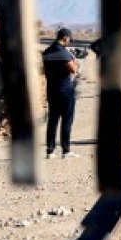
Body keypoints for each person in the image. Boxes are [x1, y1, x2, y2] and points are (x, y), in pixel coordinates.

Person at [42, 27, 80, 159]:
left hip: (51, 90)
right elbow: (73, 70)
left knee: (52, 120)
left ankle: (50, 151)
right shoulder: (64, 53)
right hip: (65, 90)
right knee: (67, 120)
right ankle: (66, 150)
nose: (69, 42)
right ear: (65, 38)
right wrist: (75, 60)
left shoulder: (46, 52)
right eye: (69, 39)